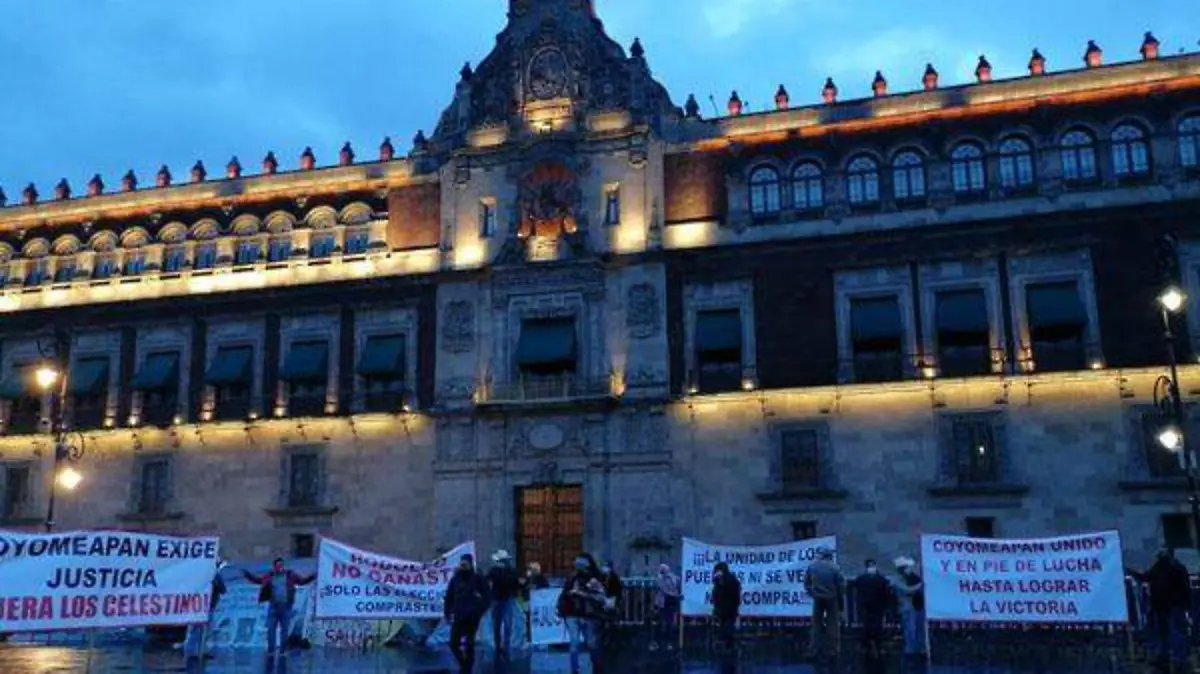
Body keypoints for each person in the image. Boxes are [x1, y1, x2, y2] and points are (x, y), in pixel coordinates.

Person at [242, 558, 315, 658]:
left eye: (281, 565)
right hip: (273, 607)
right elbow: (258, 580)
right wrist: (248, 575)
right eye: (277, 565)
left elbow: (302, 581)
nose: (280, 567)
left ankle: (283, 651)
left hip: (286, 607)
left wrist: (312, 577)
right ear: (274, 567)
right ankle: (271, 650)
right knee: (271, 629)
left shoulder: (290, 575)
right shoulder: (270, 576)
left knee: (284, 629)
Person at [1133, 548, 1192, 671]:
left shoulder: (1174, 568)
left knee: (1174, 632)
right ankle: (1168, 657)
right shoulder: (1165, 567)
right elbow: (1146, 577)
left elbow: (1185, 587)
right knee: (1165, 633)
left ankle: (1177, 658)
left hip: (1170, 606)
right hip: (1163, 607)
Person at [557, 553, 606, 674]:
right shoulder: (571, 577)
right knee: (574, 642)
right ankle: (575, 670)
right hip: (572, 613)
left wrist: (583, 594)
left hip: (588, 614)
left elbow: (601, 597)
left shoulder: (594, 579)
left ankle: (597, 667)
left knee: (591, 643)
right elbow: (564, 594)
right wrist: (564, 602)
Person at [444, 553, 490, 673]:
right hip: (459, 615)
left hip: (472, 617)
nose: (463, 566)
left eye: (465, 564)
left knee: (470, 643)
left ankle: (467, 668)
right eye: (461, 564)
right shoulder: (456, 579)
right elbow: (449, 597)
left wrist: (479, 610)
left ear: (470, 564)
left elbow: (487, 596)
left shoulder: (477, 579)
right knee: (453, 643)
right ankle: (464, 664)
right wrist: (447, 613)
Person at [804, 547, 844, 662]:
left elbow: (806, 583)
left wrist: (812, 593)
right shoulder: (835, 568)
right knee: (832, 625)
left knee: (816, 624)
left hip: (818, 598)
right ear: (830, 556)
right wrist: (840, 601)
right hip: (832, 598)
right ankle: (832, 650)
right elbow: (841, 586)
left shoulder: (812, 567)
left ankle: (813, 649)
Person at [184, 559, 228, 661]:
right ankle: (191, 651)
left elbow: (223, 589)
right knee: (196, 629)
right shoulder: (201, 575)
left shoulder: (215, 576)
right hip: (199, 607)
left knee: (204, 630)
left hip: (207, 607)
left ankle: (199, 650)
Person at [854, 559, 893, 661]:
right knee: (872, 627)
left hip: (871, 606)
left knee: (871, 626)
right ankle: (873, 647)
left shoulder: (862, 579)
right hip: (872, 607)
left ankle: (870, 647)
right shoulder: (880, 579)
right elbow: (887, 593)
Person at [486, 549, 521, 660]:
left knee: (504, 624)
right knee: (502, 624)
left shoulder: (500, 571)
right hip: (500, 599)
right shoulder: (498, 571)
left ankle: (503, 646)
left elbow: (513, 583)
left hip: (502, 599)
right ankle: (502, 646)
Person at [892, 556, 926, 659]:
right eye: (907, 567)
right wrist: (921, 585)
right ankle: (910, 651)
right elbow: (907, 590)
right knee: (910, 630)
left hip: (918, 606)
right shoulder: (897, 579)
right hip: (907, 608)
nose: (910, 568)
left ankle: (921, 649)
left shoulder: (914, 577)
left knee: (920, 629)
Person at [711, 562, 742, 655]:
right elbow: (716, 595)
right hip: (722, 610)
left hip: (729, 609)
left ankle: (730, 648)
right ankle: (727, 648)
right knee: (724, 629)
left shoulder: (731, 580)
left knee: (728, 630)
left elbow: (736, 595)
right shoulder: (718, 581)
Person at [651, 563, 681, 652]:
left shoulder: (672, 578)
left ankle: (668, 643)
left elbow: (674, 588)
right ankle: (659, 643)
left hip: (669, 603)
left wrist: (675, 595)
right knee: (661, 623)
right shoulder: (661, 578)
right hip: (663, 603)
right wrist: (676, 595)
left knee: (669, 623)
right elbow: (665, 590)